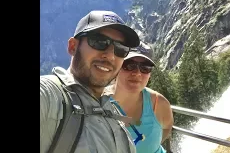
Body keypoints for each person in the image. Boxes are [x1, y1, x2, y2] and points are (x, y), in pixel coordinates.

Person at [40, 10, 141, 153]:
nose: (111, 56)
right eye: (99, 42)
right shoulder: (49, 96)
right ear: (73, 46)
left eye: (121, 49)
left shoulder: (112, 111)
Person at [109, 41, 174, 153]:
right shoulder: (97, 102)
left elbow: (167, 127)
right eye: (129, 65)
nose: (137, 73)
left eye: (145, 68)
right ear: (117, 66)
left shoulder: (159, 103)